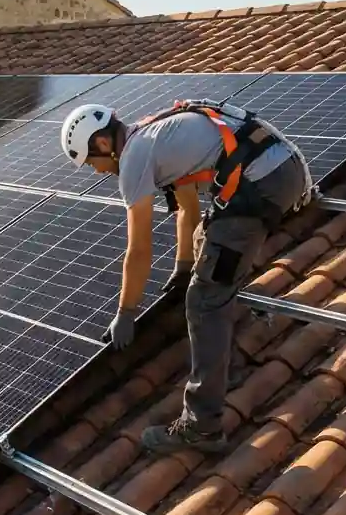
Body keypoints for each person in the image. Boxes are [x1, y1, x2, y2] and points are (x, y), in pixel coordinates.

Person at [60, 97, 313, 454]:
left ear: (102, 143)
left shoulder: (133, 158)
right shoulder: (154, 135)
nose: (98, 172)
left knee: (204, 301)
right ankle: (224, 363)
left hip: (261, 185)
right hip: (279, 169)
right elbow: (188, 209)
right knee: (203, 251)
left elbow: (139, 249)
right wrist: (182, 268)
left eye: (93, 163)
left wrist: (126, 312)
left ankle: (202, 426)